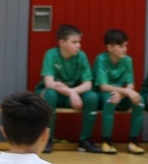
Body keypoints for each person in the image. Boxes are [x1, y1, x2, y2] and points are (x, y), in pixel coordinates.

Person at [35, 24, 100, 153]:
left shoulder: (81, 56)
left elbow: (88, 84)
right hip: (53, 94)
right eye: (74, 42)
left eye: (79, 42)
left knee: (92, 97)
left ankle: (85, 141)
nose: (78, 45)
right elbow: (49, 83)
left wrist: (73, 92)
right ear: (62, 43)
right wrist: (71, 92)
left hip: (71, 95)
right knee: (50, 95)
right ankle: (47, 140)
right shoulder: (51, 54)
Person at [93, 28, 145, 154]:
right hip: (102, 95)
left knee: (139, 101)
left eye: (126, 46)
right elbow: (103, 86)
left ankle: (133, 141)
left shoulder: (127, 60)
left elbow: (130, 84)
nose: (125, 49)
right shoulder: (101, 59)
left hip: (121, 95)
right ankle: (106, 141)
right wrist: (126, 92)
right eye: (121, 46)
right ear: (110, 47)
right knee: (110, 99)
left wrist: (123, 94)